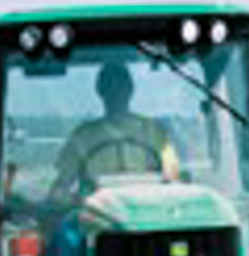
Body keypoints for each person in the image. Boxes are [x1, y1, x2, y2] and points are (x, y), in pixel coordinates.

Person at [52, 60, 178, 200]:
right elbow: (62, 184)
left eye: (120, 86)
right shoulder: (82, 137)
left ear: (130, 89)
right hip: (96, 216)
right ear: (101, 91)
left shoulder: (153, 131)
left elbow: (171, 176)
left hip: (146, 210)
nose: (116, 92)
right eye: (109, 86)